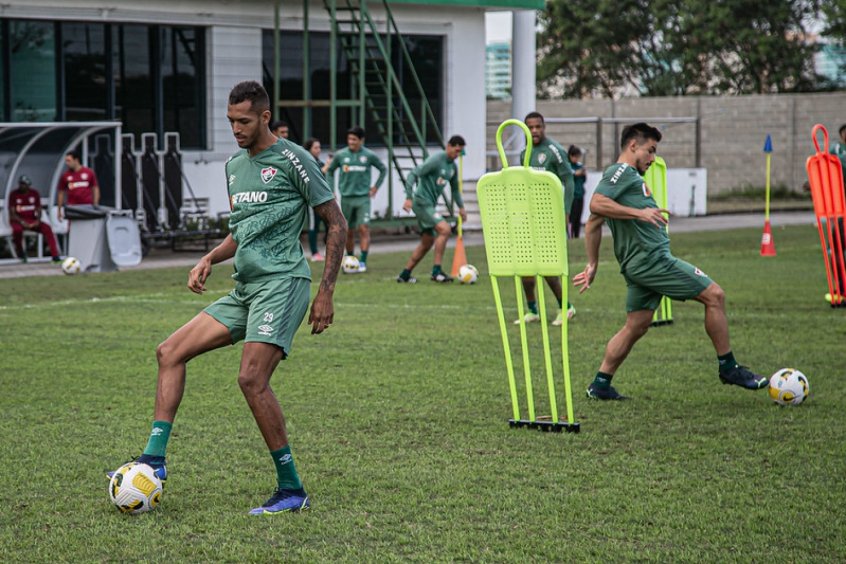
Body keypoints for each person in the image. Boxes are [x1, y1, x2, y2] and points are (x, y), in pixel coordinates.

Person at [110, 81, 347, 515]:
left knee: (251, 378)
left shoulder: (296, 159)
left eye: (243, 121)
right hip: (245, 288)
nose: (235, 129)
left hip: (283, 283)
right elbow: (243, 230)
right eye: (230, 121)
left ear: (264, 117)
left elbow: (336, 223)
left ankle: (292, 489)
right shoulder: (236, 165)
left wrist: (326, 291)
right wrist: (209, 258)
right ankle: (154, 461)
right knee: (169, 351)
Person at [573, 122, 768, 400]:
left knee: (636, 325)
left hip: (639, 265)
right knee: (715, 295)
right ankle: (729, 367)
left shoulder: (626, 179)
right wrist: (639, 214)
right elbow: (595, 205)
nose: (653, 159)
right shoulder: (620, 172)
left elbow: (593, 223)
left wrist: (592, 264)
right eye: (650, 151)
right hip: (653, 262)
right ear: (632, 146)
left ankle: (600, 384)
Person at [514, 112, 576, 326]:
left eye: (538, 127)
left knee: (547, 266)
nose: (534, 131)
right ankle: (532, 310)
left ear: (544, 127)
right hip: (529, 217)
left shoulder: (554, 151)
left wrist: (565, 212)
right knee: (524, 267)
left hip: (549, 216)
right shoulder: (524, 153)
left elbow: (568, 180)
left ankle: (565, 307)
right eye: (530, 127)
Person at [396, 135, 467, 283]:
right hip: (421, 203)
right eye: (456, 150)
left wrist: (461, 207)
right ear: (448, 146)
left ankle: (405, 274)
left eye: (460, 152)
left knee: (427, 242)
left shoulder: (452, 167)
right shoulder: (436, 160)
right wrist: (409, 197)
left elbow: (454, 190)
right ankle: (436, 271)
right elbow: (413, 173)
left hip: (429, 205)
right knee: (445, 229)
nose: (457, 154)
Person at [325, 126, 386, 273]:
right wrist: (331, 189)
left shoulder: (369, 155)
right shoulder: (341, 155)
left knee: (364, 228)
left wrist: (375, 187)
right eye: (349, 139)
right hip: (346, 198)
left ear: (361, 140)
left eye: (354, 139)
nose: (351, 142)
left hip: (363, 198)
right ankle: (350, 259)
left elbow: (383, 169)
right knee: (349, 231)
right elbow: (330, 171)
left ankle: (363, 262)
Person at [8, 175, 62, 263]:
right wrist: (22, 222)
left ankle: (55, 255)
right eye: (21, 184)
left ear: (28, 185)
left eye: (24, 184)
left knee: (47, 228)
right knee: (17, 230)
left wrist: (37, 221)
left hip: (32, 220)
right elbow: (12, 213)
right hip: (18, 221)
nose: (22, 186)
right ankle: (20, 252)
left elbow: (39, 209)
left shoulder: (34, 193)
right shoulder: (14, 194)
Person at [302, 137, 331, 262]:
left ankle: (328, 249)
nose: (319, 150)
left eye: (320, 147)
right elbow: (317, 176)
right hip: (312, 201)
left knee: (330, 225)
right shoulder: (306, 162)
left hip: (323, 200)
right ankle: (314, 253)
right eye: (316, 147)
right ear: (309, 149)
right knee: (313, 226)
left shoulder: (320, 163)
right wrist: (327, 166)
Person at [56, 149, 100, 221]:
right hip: (72, 207)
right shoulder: (65, 176)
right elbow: (61, 193)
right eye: (66, 161)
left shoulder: (89, 172)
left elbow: (95, 189)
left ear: (76, 160)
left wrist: (95, 205)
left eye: (69, 161)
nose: (67, 163)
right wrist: (59, 210)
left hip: (87, 206)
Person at [568, 145, 587, 238]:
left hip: (580, 195)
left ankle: (577, 236)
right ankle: (570, 236)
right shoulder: (568, 166)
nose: (576, 158)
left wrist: (583, 173)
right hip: (572, 196)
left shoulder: (580, 166)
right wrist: (577, 173)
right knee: (572, 218)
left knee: (578, 217)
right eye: (574, 156)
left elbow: (584, 180)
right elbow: (571, 174)